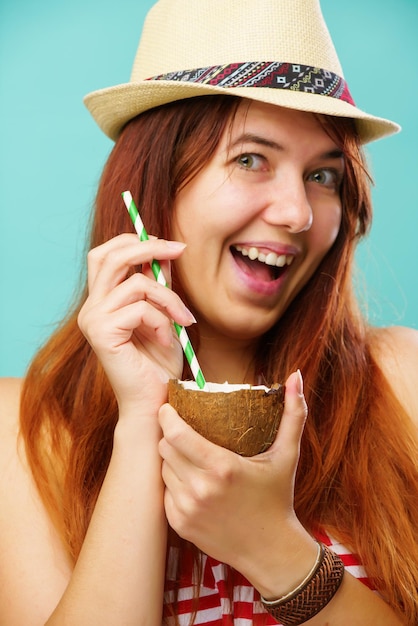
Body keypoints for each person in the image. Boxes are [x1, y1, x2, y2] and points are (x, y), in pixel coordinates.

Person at [1, 0, 417, 624]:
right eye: (252, 159)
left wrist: (275, 549)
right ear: (155, 184)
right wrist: (142, 420)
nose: (298, 213)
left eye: (324, 176)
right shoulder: (23, 428)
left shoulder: (403, 379)